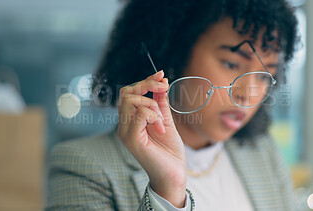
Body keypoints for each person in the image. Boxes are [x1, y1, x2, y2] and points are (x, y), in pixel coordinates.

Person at [46, 0, 298, 210]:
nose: (248, 94)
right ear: (174, 53)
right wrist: (167, 191)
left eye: (265, 75)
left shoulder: (262, 152)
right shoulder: (83, 167)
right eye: (231, 64)